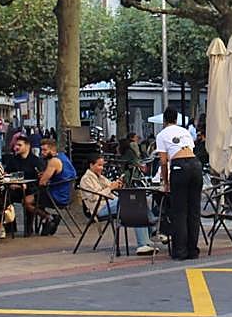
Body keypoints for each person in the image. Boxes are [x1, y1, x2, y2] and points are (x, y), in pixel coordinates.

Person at [79, 154, 156, 254]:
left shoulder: (100, 177)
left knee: (139, 201)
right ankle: (147, 237)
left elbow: (110, 185)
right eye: (99, 165)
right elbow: (95, 197)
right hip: (100, 208)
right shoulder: (86, 179)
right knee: (133, 202)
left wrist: (117, 184)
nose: (101, 168)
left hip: (110, 202)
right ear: (91, 165)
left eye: (102, 165)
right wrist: (110, 188)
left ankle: (147, 239)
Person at [156, 106, 202, 260]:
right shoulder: (185, 131)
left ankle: (180, 251)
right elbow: (190, 150)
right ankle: (192, 250)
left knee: (180, 211)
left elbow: (163, 162)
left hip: (179, 167)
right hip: (195, 166)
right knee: (194, 211)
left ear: (164, 120)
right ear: (176, 119)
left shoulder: (162, 135)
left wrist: (166, 182)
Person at [32, 138, 76, 236]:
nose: (42, 153)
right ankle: (47, 221)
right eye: (41, 150)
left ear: (52, 150)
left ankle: (48, 217)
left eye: (45, 150)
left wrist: (43, 176)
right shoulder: (63, 157)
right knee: (38, 198)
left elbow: (42, 182)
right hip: (67, 195)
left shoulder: (53, 161)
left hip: (57, 197)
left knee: (27, 201)